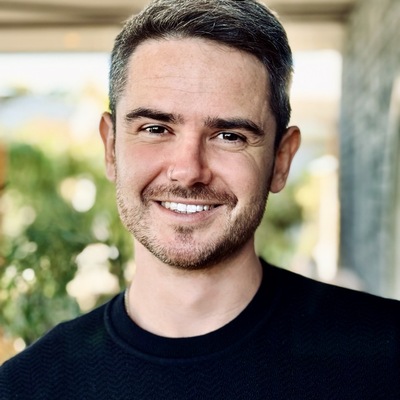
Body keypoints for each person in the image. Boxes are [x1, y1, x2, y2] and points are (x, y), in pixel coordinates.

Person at [1, 0, 400, 398]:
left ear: (281, 160)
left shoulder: (387, 355)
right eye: (156, 129)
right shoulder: (25, 388)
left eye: (230, 136)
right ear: (111, 147)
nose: (189, 170)